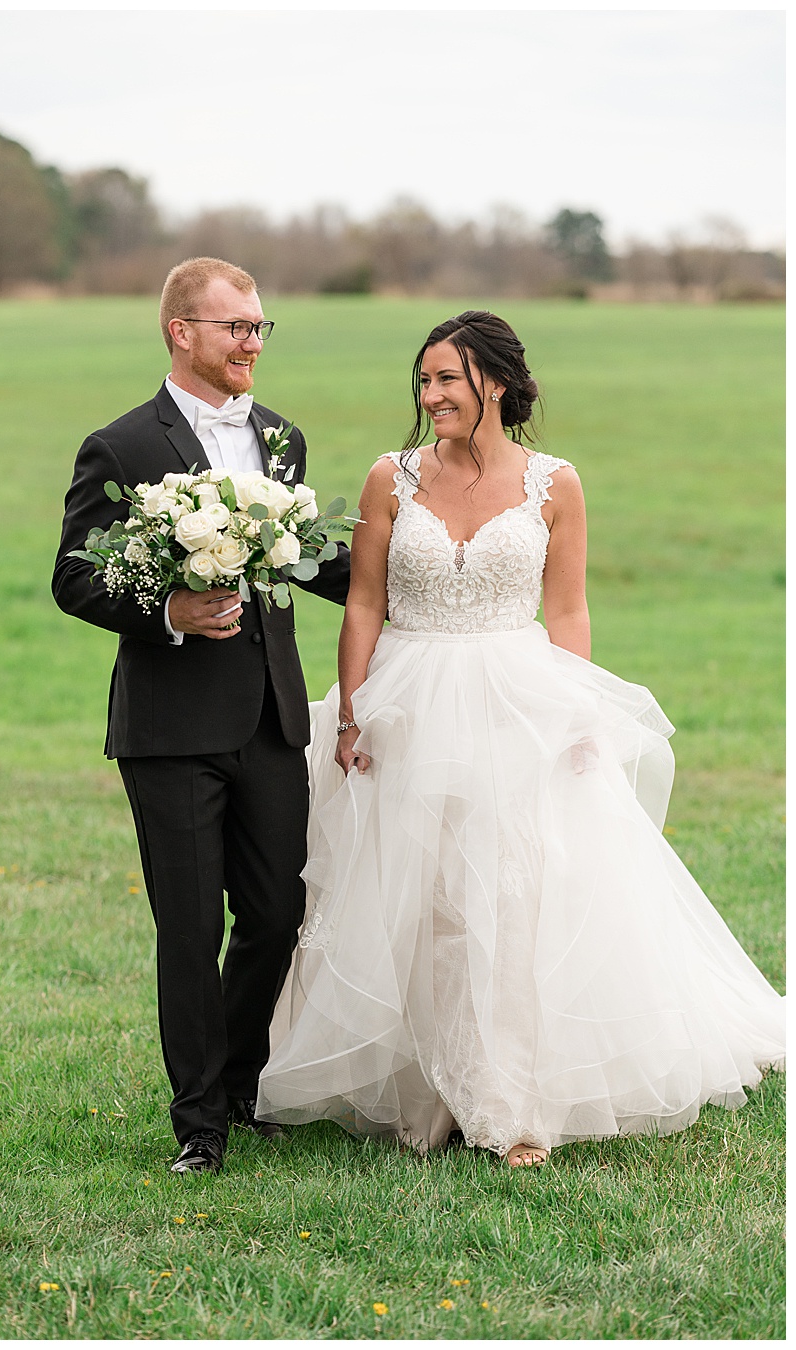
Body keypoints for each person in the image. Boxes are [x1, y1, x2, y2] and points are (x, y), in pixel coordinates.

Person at [256, 310, 784, 1166]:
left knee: (508, 895)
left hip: (517, 699)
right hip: (408, 699)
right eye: (423, 382)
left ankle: (504, 1099)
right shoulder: (390, 478)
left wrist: (578, 713)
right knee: (418, 900)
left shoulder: (555, 483)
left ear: (493, 384)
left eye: (448, 381)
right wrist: (351, 714)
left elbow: (567, 608)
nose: (432, 398)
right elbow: (362, 603)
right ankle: (427, 1091)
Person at [51, 258, 351, 1176]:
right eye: (236, 328)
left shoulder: (283, 439)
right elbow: (73, 576)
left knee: (276, 911)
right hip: (172, 728)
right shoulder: (122, 446)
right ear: (181, 332)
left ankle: (243, 1078)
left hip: (271, 718)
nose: (252, 342)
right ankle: (201, 1126)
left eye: (261, 326)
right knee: (188, 927)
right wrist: (169, 613)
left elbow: (309, 559)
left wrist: (417, 559)